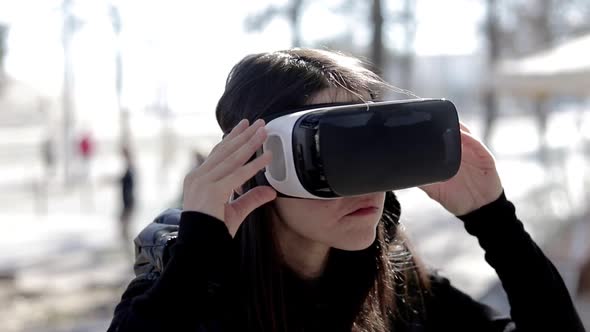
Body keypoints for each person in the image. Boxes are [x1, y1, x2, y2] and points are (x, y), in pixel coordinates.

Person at [107, 49, 584, 332]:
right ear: (256, 162)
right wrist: (193, 263)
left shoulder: (395, 283)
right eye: (336, 155)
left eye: (373, 147)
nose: (368, 184)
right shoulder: (182, 285)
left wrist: (495, 221)